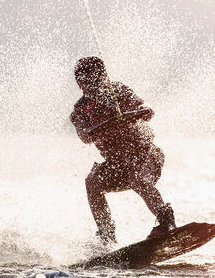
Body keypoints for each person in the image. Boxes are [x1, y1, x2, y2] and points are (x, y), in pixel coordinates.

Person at [70, 56, 176, 245]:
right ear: (80, 84)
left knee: (137, 176)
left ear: (104, 78)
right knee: (92, 182)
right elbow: (84, 136)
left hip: (147, 156)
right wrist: (102, 128)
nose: (94, 86)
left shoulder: (118, 91)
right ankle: (107, 235)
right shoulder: (79, 110)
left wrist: (143, 111)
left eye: (98, 79)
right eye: (88, 82)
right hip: (117, 166)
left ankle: (166, 220)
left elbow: (146, 108)